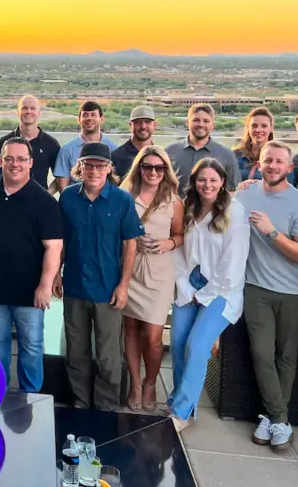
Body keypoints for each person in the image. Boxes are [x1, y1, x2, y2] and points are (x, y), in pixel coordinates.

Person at [235, 141, 298, 451]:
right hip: (256, 288)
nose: (272, 165)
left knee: (286, 357)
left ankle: (272, 419)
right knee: (261, 353)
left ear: (289, 168)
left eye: (279, 162)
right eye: (267, 160)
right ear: (260, 162)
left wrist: (271, 232)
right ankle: (280, 419)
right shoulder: (245, 195)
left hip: (294, 292)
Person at [166, 158, 250, 432]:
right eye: (202, 179)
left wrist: (204, 294)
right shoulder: (187, 208)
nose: (207, 185)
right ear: (194, 181)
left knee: (197, 346)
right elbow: (177, 249)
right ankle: (184, 404)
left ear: (223, 182)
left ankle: (180, 411)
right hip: (189, 286)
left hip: (221, 291)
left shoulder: (235, 213)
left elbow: (233, 264)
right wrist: (186, 287)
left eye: (213, 180)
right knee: (177, 342)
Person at [59, 142, 144, 410]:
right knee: (76, 353)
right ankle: (81, 403)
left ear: (109, 169)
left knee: (108, 356)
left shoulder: (122, 200)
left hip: (108, 290)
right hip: (74, 286)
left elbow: (131, 244)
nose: (94, 171)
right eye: (88, 165)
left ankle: (105, 407)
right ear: (79, 168)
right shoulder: (68, 197)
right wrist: (55, 275)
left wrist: (124, 285)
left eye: (100, 166)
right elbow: (61, 240)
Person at [0, 137, 62, 393]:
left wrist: (45, 286)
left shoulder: (44, 201)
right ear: (0, 161)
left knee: (32, 345)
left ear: (31, 163)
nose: (15, 164)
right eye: (10, 159)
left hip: (29, 291)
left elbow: (53, 248)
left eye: (21, 159)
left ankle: (30, 396)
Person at [119, 146, 184, 412]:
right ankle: (135, 383)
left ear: (165, 170)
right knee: (131, 330)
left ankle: (150, 381)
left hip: (158, 273)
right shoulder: (124, 196)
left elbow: (180, 235)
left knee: (154, 336)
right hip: (130, 270)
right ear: (139, 168)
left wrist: (167, 243)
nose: (153, 172)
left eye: (159, 167)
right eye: (148, 167)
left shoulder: (174, 201)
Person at [166, 103, 241, 196]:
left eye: (206, 121)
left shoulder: (227, 155)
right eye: (196, 120)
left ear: (213, 125)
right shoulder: (169, 152)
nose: (201, 124)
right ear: (187, 122)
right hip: (176, 209)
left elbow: (233, 190)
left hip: (213, 210)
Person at [0, 95, 60, 191]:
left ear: (39, 113)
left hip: (38, 202)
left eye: (33, 108)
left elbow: (60, 176)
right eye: (24, 108)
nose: (28, 111)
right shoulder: (4, 143)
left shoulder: (51, 144)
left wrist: (47, 194)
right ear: (18, 112)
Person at [54, 101, 119, 192]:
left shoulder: (114, 149)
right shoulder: (67, 149)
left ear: (101, 118)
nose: (89, 118)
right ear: (79, 119)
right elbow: (63, 186)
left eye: (93, 115)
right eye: (85, 115)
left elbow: (117, 182)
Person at [234, 107, 292, 183]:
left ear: (271, 128)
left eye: (264, 126)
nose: (258, 130)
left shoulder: (281, 156)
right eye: (254, 126)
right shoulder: (235, 155)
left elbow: (287, 185)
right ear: (248, 128)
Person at [111, 106, 157, 179]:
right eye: (138, 122)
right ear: (130, 125)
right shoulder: (116, 157)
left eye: (147, 122)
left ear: (154, 125)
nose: (143, 126)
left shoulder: (160, 157)